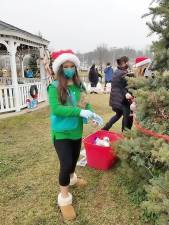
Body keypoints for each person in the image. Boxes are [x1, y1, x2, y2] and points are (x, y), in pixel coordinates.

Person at [47, 50, 103, 221]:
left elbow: (85, 104)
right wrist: (80, 112)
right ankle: (64, 199)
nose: (69, 69)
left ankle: (72, 179)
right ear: (60, 68)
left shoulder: (80, 86)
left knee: (74, 158)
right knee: (65, 163)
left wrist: (92, 115)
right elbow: (57, 109)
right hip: (61, 132)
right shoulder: (54, 86)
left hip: (76, 131)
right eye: (66, 66)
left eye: (72, 66)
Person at [102, 56, 133, 131]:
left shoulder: (116, 71)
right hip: (121, 99)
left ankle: (106, 127)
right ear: (124, 63)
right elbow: (127, 85)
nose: (128, 63)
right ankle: (125, 132)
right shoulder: (124, 73)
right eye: (127, 62)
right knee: (126, 115)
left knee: (118, 114)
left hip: (114, 99)